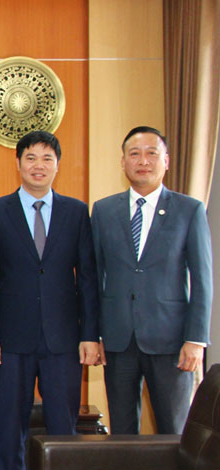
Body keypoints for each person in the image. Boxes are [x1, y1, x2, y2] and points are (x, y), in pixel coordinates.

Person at [0, 131, 99, 470]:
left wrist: (90, 334)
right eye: (31, 158)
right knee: (11, 427)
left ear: (57, 164)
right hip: (10, 340)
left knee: (62, 428)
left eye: (47, 158)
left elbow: (86, 279)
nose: (38, 165)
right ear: (18, 163)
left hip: (63, 340)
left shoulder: (75, 212)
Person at [91, 126, 212, 434]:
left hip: (171, 342)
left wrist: (195, 340)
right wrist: (92, 334)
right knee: (122, 429)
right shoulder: (104, 211)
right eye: (134, 154)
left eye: (151, 153)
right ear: (123, 162)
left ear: (166, 161)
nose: (142, 161)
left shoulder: (189, 210)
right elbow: (93, 276)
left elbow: (202, 279)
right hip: (118, 340)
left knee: (174, 429)